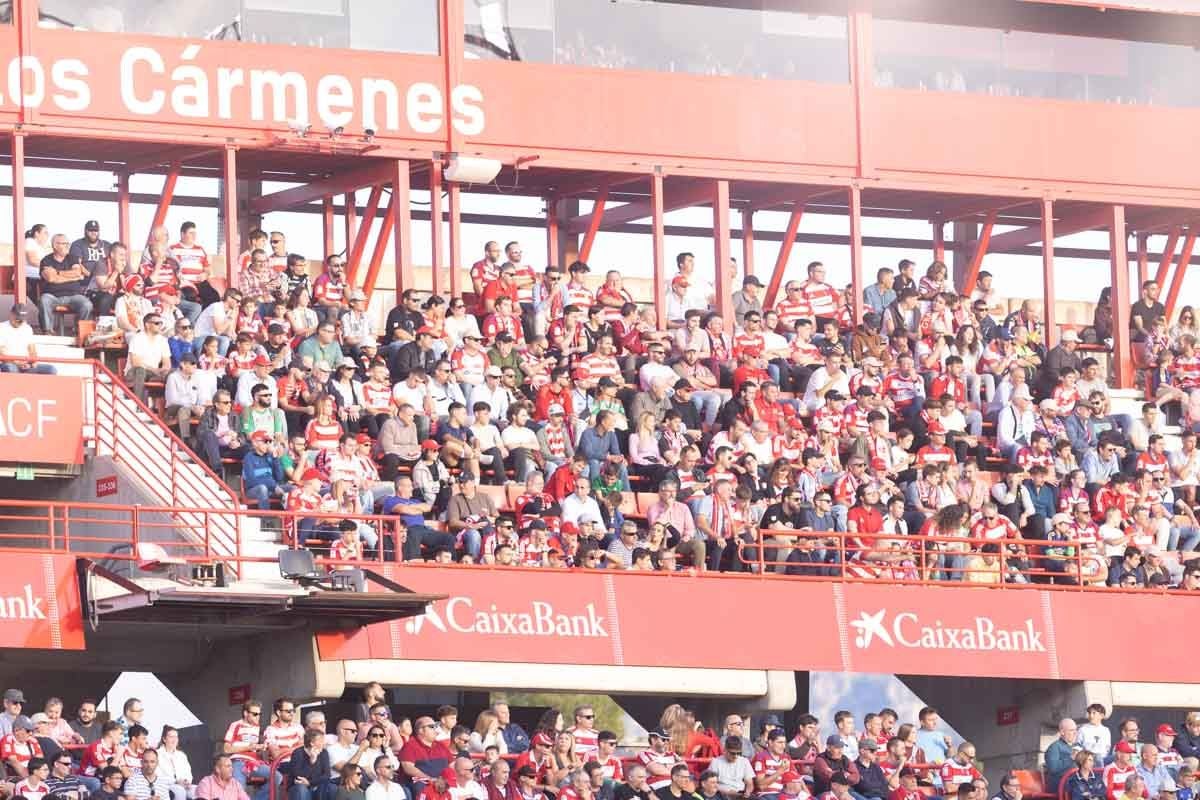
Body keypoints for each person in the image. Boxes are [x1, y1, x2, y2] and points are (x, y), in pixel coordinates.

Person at [0, 304, 55, 374]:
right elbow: (1, 353)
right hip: (10, 363)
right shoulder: (2, 327)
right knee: (10, 368)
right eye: (18, 319)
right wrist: (17, 363)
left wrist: (32, 362)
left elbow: (32, 350)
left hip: (26, 364)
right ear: (11, 314)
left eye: (22, 320)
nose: (20, 322)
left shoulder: (27, 328)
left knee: (51, 369)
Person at [289, 729, 335, 800]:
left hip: (317, 787)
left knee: (331, 787)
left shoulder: (324, 753)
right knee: (301, 788)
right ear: (312, 743)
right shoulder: (298, 753)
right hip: (298, 789)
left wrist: (310, 782)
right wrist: (311, 762)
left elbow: (327, 775)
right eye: (321, 741)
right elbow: (298, 777)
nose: (324, 743)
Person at [1046, 719, 1081, 792]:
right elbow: (1053, 769)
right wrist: (1071, 758)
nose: (1075, 733)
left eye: (1076, 730)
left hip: (1076, 780)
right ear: (1062, 732)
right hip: (1061, 784)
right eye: (1071, 730)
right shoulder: (1054, 747)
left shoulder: (1078, 746)